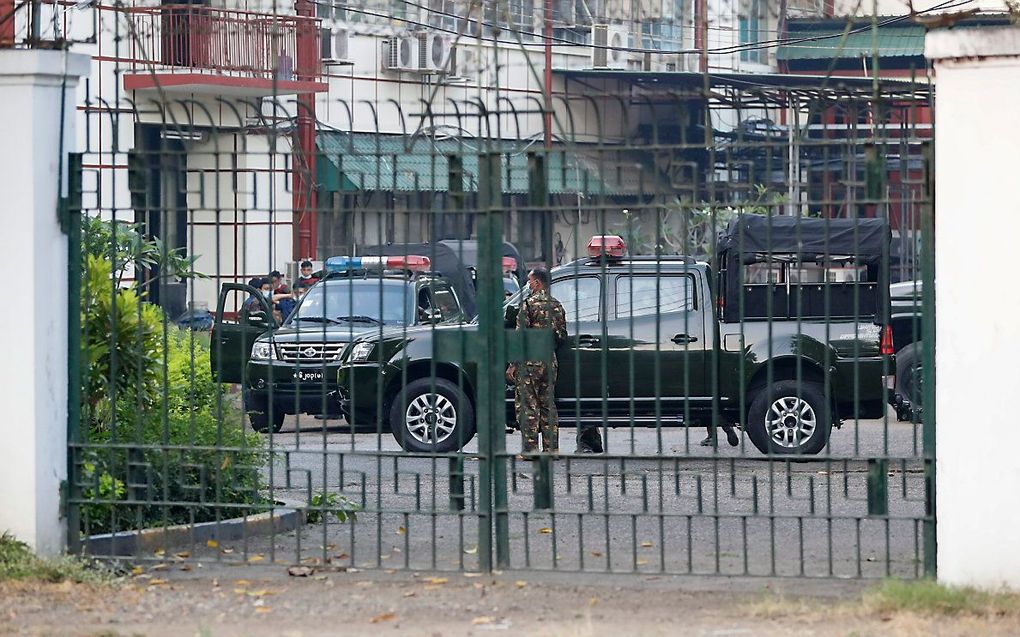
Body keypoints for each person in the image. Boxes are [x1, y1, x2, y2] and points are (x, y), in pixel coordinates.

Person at [508, 268, 567, 456]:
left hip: (530, 363)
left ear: (537, 283)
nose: (528, 284)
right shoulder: (557, 305)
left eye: (529, 281)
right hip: (550, 361)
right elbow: (562, 336)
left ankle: (530, 450)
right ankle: (551, 449)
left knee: (528, 406)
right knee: (548, 404)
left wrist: (513, 364)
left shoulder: (528, 305)